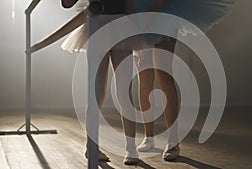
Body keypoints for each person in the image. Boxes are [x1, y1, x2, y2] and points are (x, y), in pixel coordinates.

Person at [129, 0, 234, 163]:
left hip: (164, 10)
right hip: (139, 11)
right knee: (144, 74)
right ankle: (149, 137)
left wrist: (156, 7)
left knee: (163, 73)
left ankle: (173, 141)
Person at [61, 0, 136, 163]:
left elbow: (129, 4)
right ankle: (91, 146)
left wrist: (134, 27)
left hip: (120, 23)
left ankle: (131, 148)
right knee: (96, 92)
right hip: (96, 23)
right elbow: (66, 3)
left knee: (125, 91)